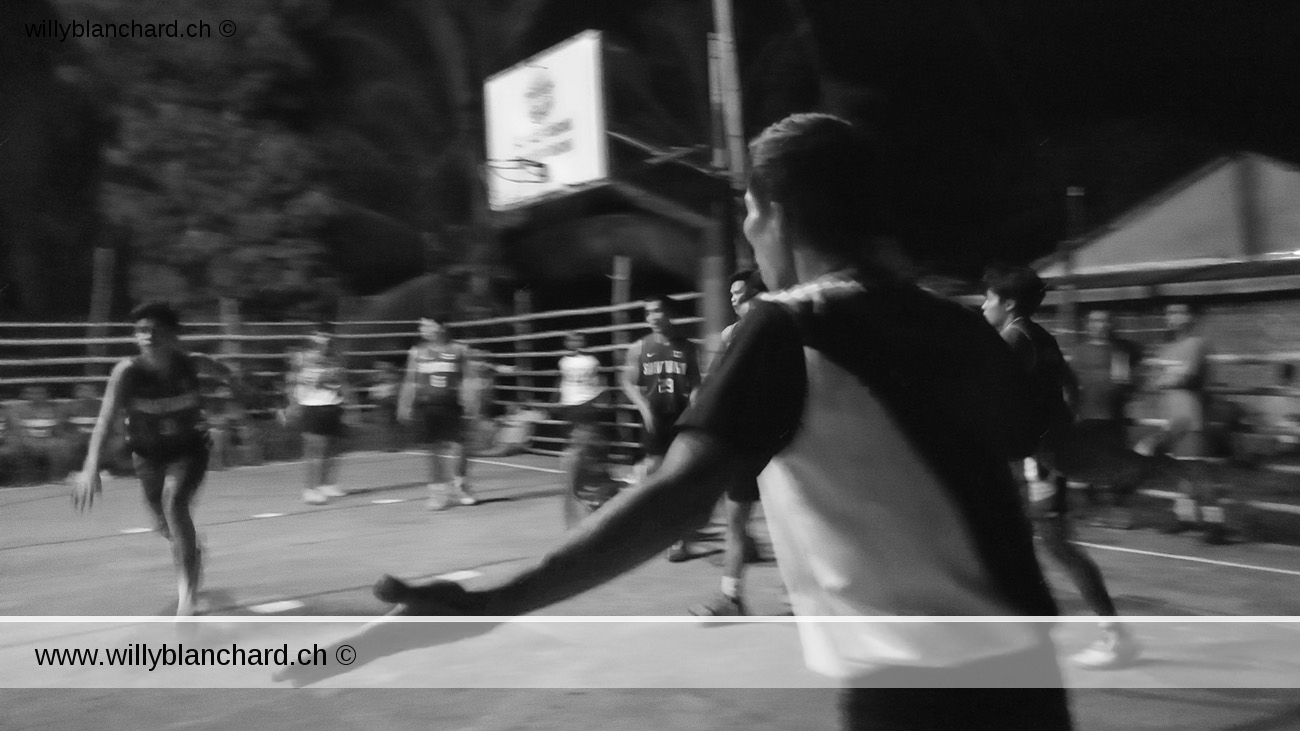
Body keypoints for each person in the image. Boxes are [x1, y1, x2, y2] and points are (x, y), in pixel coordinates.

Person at [371, 114, 1072, 731]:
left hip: (921, 687)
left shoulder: (788, 323)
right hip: (1030, 670)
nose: (747, 230)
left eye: (748, 212)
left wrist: (496, 597)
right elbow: (1039, 437)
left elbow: (678, 497)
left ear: (774, 213)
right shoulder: (956, 324)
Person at [982, 267, 1140, 670]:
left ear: (1009, 303)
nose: (984, 305)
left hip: (1041, 458)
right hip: (1043, 450)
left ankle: (1113, 636)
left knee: (1056, 543)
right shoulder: (1042, 335)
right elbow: (1072, 386)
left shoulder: (1014, 337)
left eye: (989, 298)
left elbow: (989, 394)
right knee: (1031, 539)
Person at [72, 301, 241, 616]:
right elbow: (104, 419)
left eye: (155, 330)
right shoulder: (127, 372)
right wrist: (90, 466)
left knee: (174, 504)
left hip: (189, 449)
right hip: (148, 454)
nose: (147, 337)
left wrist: (231, 410)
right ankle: (191, 549)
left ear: (173, 336)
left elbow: (229, 375)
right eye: (141, 330)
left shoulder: (192, 364)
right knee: (166, 524)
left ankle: (186, 598)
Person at [688, 269, 767, 616]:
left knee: (793, 523)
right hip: (743, 437)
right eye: (732, 293)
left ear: (758, 294)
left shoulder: (777, 328)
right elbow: (717, 380)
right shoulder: (730, 334)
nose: (734, 298)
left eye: (741, 293)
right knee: (735, 522)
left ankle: (802, 598)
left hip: (778, 438)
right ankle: (732, 598)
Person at [619, 295, 701, 562]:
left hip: (681, 417)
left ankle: (678, 539)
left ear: (669, 314)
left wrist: (696, 407)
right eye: (648, 312)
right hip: (656, 417)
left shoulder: (687, 347)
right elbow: (628, 382)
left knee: (680, 477)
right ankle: (646, 524)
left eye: (657, 310)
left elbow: (695, 383)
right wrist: (643, 408)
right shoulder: (639, 347)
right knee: (653, 473)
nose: (652, 316)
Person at [1137, 302, 1226, 542]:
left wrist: (1165, 379)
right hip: (1172, 419)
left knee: (1197, 470)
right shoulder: (1166, 349)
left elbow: (1187, 376)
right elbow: (1153, 380)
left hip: (1191, 418)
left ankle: (1216, 525)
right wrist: (1166, 378)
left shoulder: (1197, 344)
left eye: (1179, 312)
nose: (1173, 317)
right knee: (1182, 472)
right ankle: (1185, 518)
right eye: (1170, 313)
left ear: (1191, 316)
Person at [1071, 309, 1143, 528]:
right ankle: (1093, 510)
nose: (1100, 324)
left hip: (1113, 417)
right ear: (1087, 324)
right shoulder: (1080, 351)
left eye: (1104, 320)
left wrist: (1124, 384)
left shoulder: (1120, 350)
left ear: (1111, 323)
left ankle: (1118, 511)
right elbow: (1071, 383)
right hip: (1086, 416)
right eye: (1095, 320)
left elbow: (1126, 383)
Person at [398, 315, 476, 510]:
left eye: (426, 325)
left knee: (461, 447)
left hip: (452, 405)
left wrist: (472, 401)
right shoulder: (417, 352)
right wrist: (404, 404)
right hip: (428, 406)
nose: (421, 328)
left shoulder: (459, 349)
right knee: (434, 450)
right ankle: (438, 492)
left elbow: (467, 378)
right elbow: (410, 380)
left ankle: (460, 484)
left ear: (440, 327)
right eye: (421, 325)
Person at [288, 325, 352, 505]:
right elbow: (293, 382)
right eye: (319, 337)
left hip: (332, 406)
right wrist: (293, 405)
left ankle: (326, 484)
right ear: (312, 339)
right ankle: (310, 489)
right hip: (312, 407)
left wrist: (349, 405)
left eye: (326, 337)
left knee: (333, 448)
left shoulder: (335, 359)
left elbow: (342, 382)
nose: (324, 341)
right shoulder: (301, 358)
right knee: (314, 450)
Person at [12, 385, 77, 483]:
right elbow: (18, 431)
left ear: (46, 395)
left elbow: (59, 430)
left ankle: (57, 478)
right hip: (27, 441)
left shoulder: (56, 409)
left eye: (39, 393)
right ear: (25, 395)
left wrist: (50, 441)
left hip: (50, 440)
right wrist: (30, 441)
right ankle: (26, 480)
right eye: (32, 393)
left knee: (62, 445)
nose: (36, 396)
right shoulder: (17, 410)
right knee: (18, 446)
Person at [555, 332, 605, 438]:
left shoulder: (591, 360)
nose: (575, 343)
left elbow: (600, 379)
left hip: (586, 401)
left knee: (584, 433)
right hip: (568, 401)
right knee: (573, 433)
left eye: (578, 340)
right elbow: (562, 380)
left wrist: (600, 396)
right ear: (566, 343)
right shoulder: (563, 361)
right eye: (572, 340)